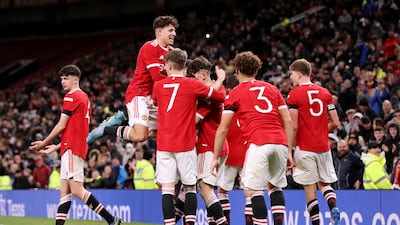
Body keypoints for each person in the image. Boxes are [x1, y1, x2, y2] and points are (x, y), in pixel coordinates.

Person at [29, 65, 121, 225]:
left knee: (77, 190)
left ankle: (112, 220)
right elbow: (77, 130)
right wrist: (57, 147)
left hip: (72, 150)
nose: (62, 82)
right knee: (64, 193)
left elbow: (61, 125)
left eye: (66, 78)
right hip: (70, 148)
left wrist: (44, 142)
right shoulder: (85, 98)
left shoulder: (71, 97)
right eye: (61, 79)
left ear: (75, 79)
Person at [211, 51, 294, 225]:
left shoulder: (234, 93)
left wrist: (215, 157)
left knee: (255, 191)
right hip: (279, 142)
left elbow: (223, 128)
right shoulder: (273, 89)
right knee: (275, 187)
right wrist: (289, 151)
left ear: (237, 71)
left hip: (258, 143)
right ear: (256, 71)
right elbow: (288, 121)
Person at [152, 48, 225, 225]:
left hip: (164, 144)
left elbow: (155, 102)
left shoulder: (158, 86)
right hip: (185, 143)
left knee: (168, 189)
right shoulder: (192, 85)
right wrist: (221, 79)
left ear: (168, 65)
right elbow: (217, 96)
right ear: (184, 65)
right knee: (190, 187)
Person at [87, 15, 179, 144]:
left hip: (154, 98)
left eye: (174, 30)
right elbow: (158, 79)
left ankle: (124, 117)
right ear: (159, 31)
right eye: (170, 30)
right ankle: (106, 129)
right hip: (139, 95)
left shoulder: (172, 52)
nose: (174, 34)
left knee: (166, 132)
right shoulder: (150, 48)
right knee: (139, 136)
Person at [287, 58, 341, 225]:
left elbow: (294, 126)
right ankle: (334, 208)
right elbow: (336, 123)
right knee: (325, 184)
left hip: (304, 148)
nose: (290, 78)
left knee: (310, 189)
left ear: (299, 74)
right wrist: (320, 131)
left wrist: (289, 150)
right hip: (323, 147)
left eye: (291, 75)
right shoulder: (325, 93)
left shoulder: (294, 95)